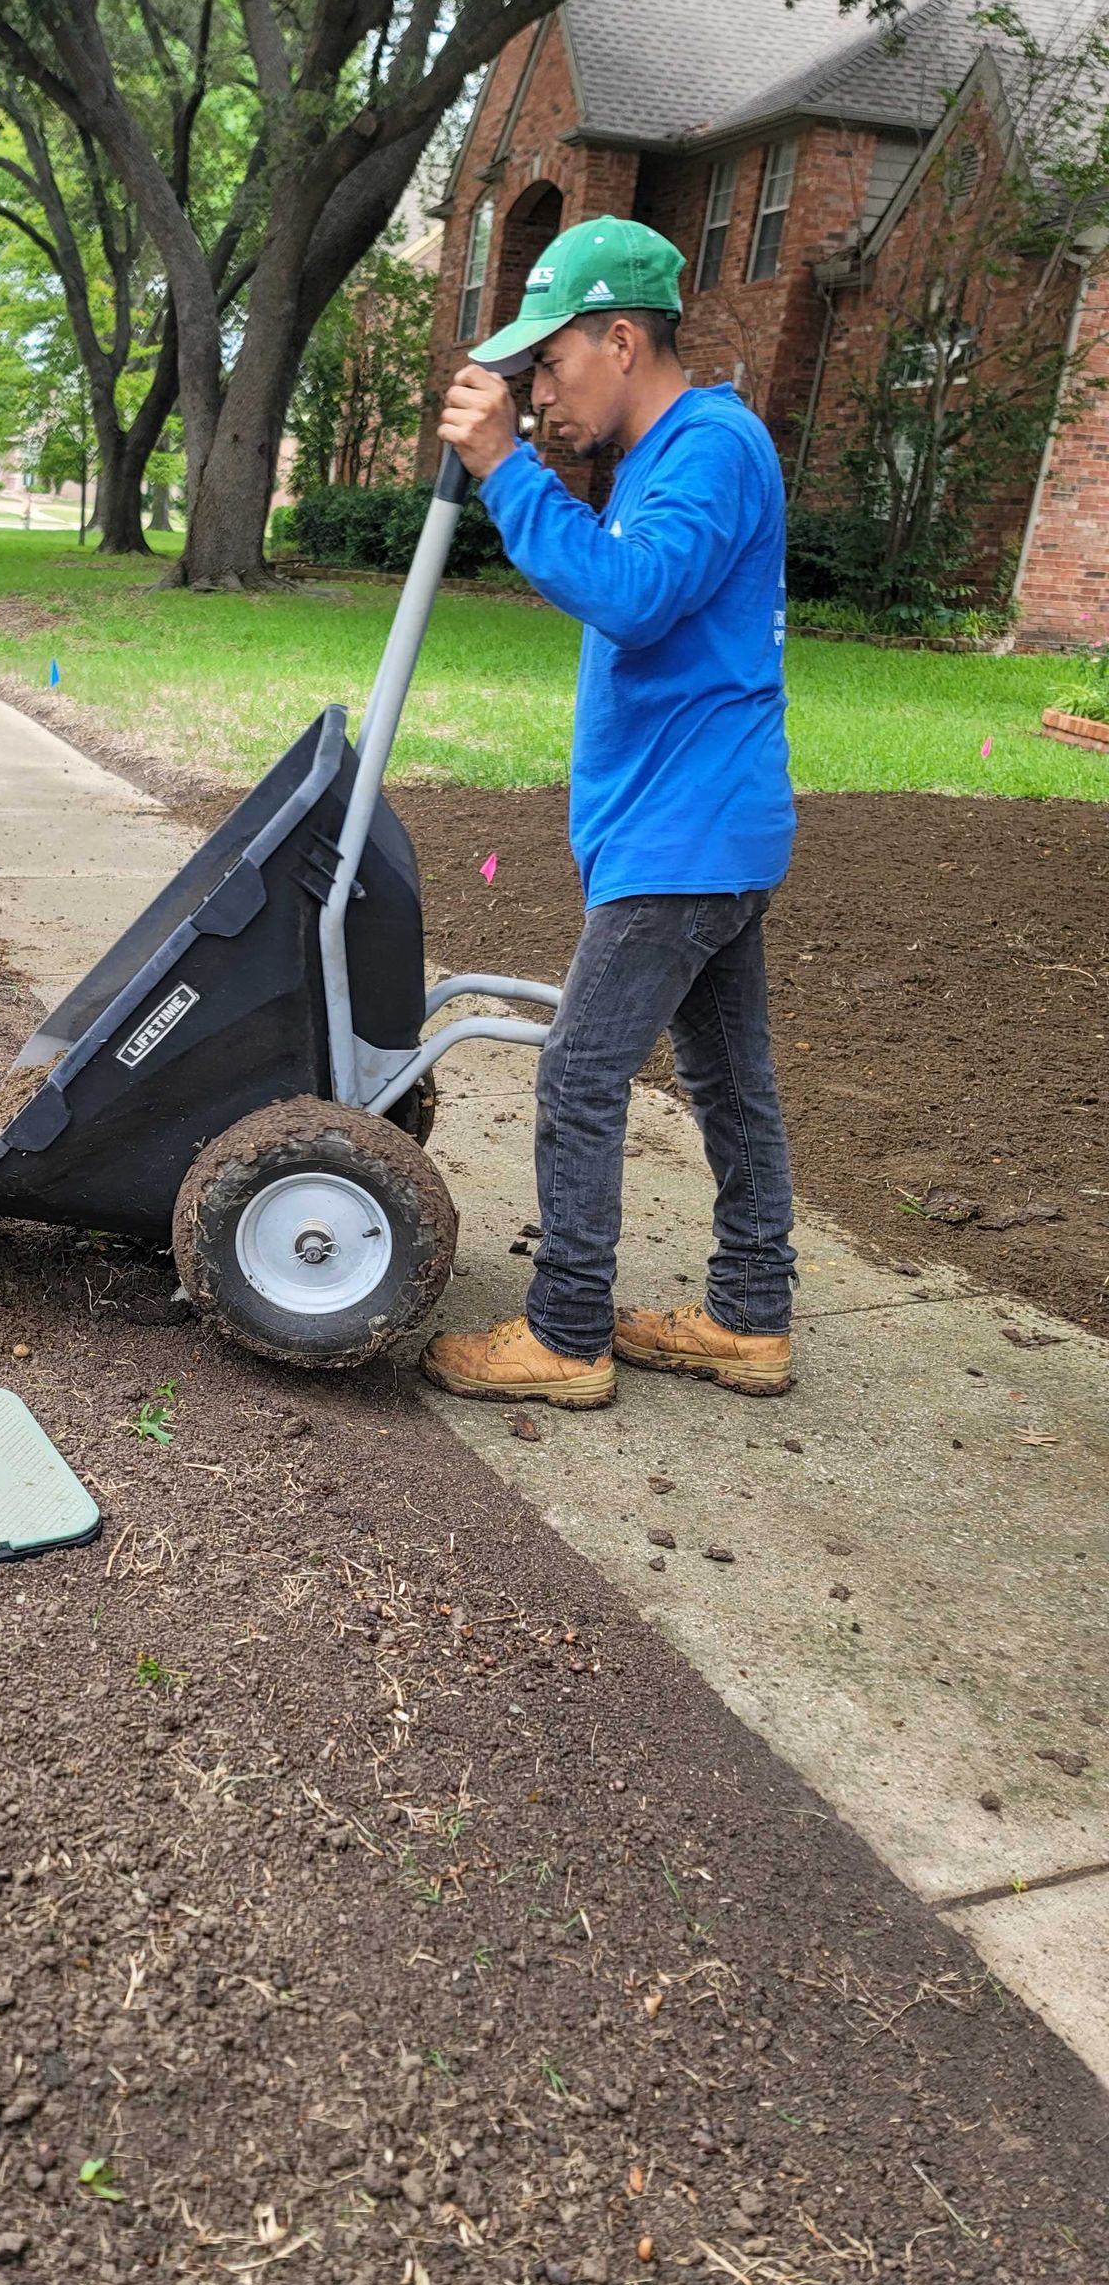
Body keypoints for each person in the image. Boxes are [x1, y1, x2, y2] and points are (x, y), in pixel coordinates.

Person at [422, 216, 797, 1409]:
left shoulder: (710, 448)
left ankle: (567, 1332)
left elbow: (631, 597)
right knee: (730, 1083)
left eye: (552, 362)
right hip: (694, 827)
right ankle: (750, 1316)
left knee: (580, 1075)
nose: (539, 394)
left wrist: (505, 470)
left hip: (686, 835)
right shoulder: (666, 457)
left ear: (621, 340)